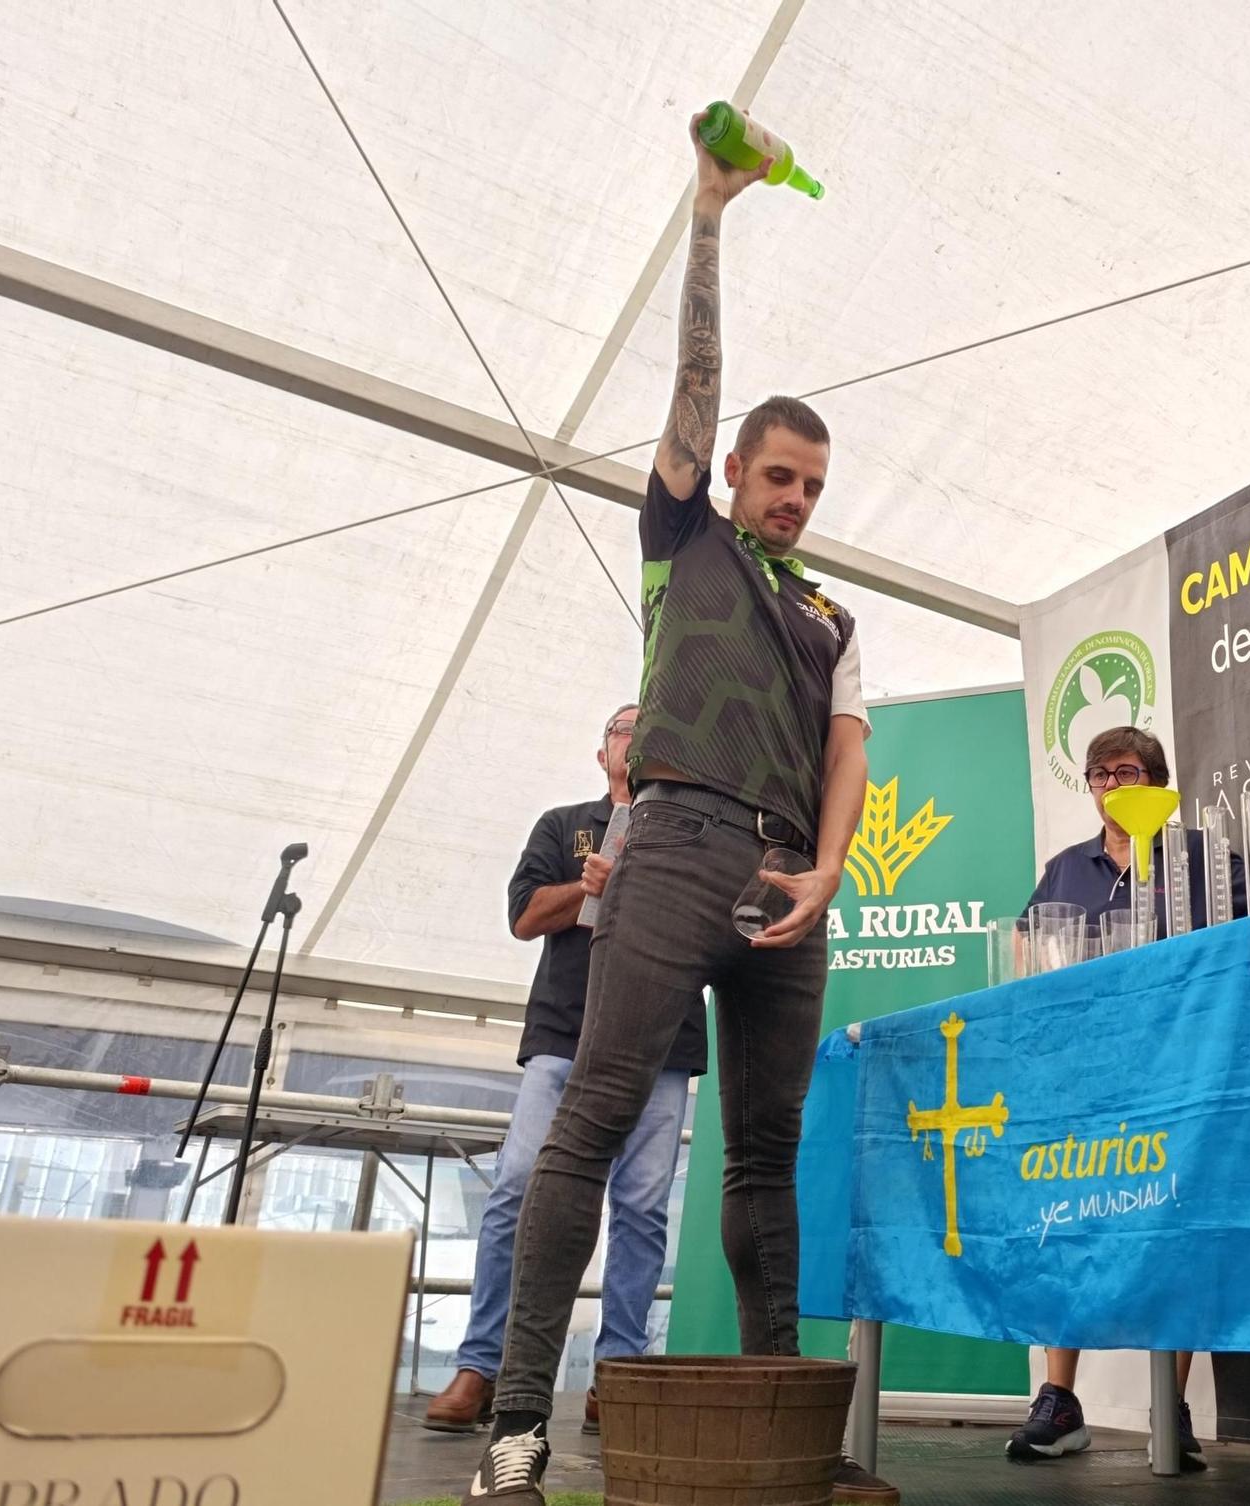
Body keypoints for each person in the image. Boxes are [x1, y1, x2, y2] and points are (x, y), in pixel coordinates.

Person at [463, 112, 886, 1505]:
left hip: (784, 884)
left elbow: (847, 749)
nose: (797, 500)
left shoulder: (833, 616)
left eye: (814, 486)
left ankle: (783, 1431)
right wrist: (709, 217)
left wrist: (828, 872)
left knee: (765, 1158)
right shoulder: (682, 536)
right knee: (587, 1124)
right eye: (781, 475)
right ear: (733, 472)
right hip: (674, 848)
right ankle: (521, 1425)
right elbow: (693, 378)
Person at [424, 704, 703, 1436]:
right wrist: (590, 887)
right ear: (601, 750)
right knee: (517, 1188)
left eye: (652, 727)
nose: (637, 738)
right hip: (564, 1034)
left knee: (642, 1206)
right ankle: (483, 1365)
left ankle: (619, 1371)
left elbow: (720, 926)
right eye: (622, 728)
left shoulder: (699, 834)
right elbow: (523, 917)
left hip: (663, 1038)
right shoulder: (562, 825)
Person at [1007, 725, 1235, 1472]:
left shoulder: (1206, 861)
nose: (1111, 786)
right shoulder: (1065, 869)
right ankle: (1059, 1401)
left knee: (1178, 1224)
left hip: (1181, 1076)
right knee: (1064, 1224)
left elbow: (1245, 943)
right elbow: (1027, 952)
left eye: (1127, 772)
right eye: (1099, 775)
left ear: (1158, 782)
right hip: (1087, 1080)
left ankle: (1169, 1405)